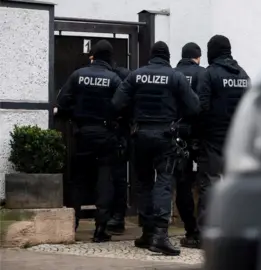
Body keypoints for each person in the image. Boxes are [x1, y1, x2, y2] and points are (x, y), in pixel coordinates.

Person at [111, 41, 200, 256]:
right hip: (165, 135)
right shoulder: (175, 77)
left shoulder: (135, 75)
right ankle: (160, 235)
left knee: (143, 183)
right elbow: (194, 106)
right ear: (168, 57)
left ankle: (147, 231)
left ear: (151, 56)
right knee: (164, 181)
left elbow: (116, 103)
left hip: (139, 135)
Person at [56, 40, 123, 242]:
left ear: (92, 55)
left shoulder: (78, 75)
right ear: (109, 57)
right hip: (105, 134)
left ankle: (72, 224)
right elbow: (122, 106)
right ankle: (100, 229)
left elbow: (62, 101)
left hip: (82, 133)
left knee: (78, 180)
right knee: (105, 180)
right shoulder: (114, 79)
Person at [196, 35, 250, 237]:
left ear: (212, 51)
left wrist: (198, 133)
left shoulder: (210, 74)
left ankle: (206, 232)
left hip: (213, 138)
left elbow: (202, 107)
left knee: (209, 183)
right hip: (236, 138)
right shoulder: (243, 74)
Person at [88, 49, 131, 235]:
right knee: (116, 177)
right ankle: (116, 218)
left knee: (112, 177)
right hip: (118, 133)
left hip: (114, 132)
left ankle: (115, 218)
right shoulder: (123, 75)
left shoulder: (117, 76)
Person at [173, 42, 206, 249]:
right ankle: (203, 230)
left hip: (177, 135)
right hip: (201, 136)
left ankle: (190, 229)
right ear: (198, 57)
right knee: (205, 183)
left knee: (182, 184)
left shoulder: (173, 74)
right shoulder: (205, 74)